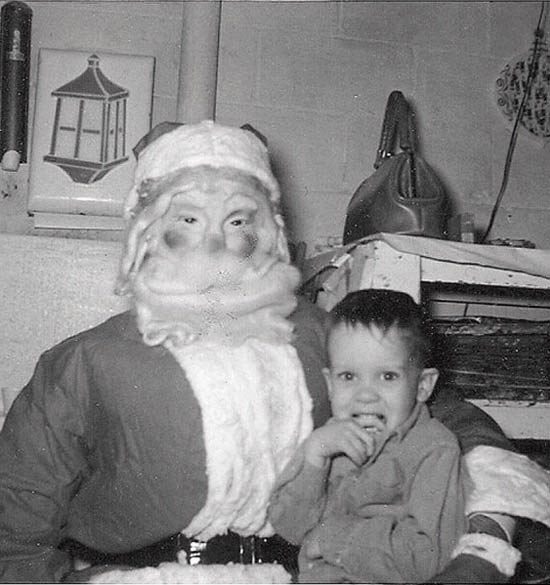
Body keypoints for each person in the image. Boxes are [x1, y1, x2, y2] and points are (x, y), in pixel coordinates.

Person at [0, 120, 548, 583]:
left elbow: (448, 417)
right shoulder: (84, 363)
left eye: (237, 220)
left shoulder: (322, 335)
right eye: (188, 219)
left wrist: (486, 539)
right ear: (148, 229)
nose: (215, 243)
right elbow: (14, 536)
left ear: (265, 230)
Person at [269, 288, 468, 583]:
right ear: (330, 384)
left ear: (423, 386)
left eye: (387, 376)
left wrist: (331, 539)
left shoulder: (434, 449)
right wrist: (314, 457)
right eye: (348, 376)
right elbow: (290, 529)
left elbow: (427, 557)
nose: (365, 395)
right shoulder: (328, 440)